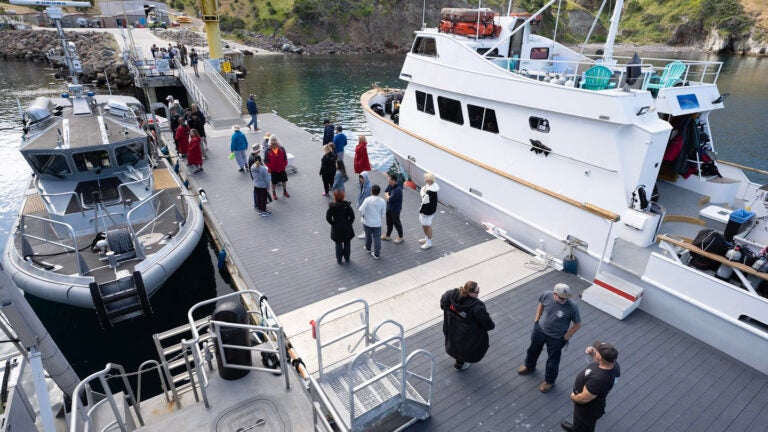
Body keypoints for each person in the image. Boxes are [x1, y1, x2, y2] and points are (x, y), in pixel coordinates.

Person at [518, 283, 582, 393]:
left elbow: (577, 324)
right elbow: (541, 304)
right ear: (554, 294)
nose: (564, 300)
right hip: (540, 330)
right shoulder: (546, 295)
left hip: (556, 338)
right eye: (561, 298)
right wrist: (537, 318)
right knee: (533, 350)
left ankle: (549, 381)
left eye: (566, 298)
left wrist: (566, 336)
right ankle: (529, 366)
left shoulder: (572, 307)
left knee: (553, 360)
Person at [561, 342, 621, 432]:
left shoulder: (599, 380)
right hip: (595, 404)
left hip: (587, 409)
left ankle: (577, 429)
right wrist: (593, 354)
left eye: (596, 351)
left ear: (600, 357)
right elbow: (601, 362)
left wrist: (574, 397)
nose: (594, 350)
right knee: (579, 423)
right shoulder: (613, 365)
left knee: (584, 425)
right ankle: (576, 427)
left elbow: (584, 399)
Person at [439, 281, 495, 371]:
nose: (478, 294)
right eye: (477, 292)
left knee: (455, 344)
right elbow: (487, 323)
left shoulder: (451, 295)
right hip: (467, 334)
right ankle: (461, 364)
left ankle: (459, 363)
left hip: (452, 328)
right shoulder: (476, 307)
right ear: (471, 292)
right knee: (465, 348)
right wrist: (490, 326)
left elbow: (443, 304)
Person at [326, 190, 355, 264]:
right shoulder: (347, 205)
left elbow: (328, 217)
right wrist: (349, 223)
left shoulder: (332, 207)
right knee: (347, 243)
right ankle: (347, 258)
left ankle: (339, 259)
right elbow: (352, 216)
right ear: (343, 196)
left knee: (338, 243)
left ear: (335, 197)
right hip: (346, 227)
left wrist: (333, 223)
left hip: (336, 228)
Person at [358, 184, 386, 259]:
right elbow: (383, 213)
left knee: (368, 236)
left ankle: (368, 248)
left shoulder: (367, 200)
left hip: (367, 222)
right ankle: (376, 254)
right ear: (379, 192)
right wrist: (380, 219)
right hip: (377, 223)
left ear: (371, 191)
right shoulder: (382, 201)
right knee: (377, 238)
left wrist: (363, 216)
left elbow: (360, 209)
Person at [264, 134, 290, 199]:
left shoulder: (282, 148)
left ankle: (285, 191)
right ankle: (274, 193)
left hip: (281, 168)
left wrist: (285, 164)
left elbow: (285, 157)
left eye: (275, 143)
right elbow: (266, 161)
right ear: (270, 143)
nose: (274, 145)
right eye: (272, 144)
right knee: (274, 182)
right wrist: (271, 167)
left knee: (284, 180)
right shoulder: (267, 151)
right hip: (273, 170)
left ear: (277, 142)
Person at [418, 172, 440, 250]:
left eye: (426, 179)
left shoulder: (431, 191)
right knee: (424, 224)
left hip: (427, 211)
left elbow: (425, 199)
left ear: (429, 180)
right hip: (426, 209)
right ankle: (426, 238)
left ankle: (429, 242)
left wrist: (422, 192)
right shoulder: (431, 186)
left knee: (426, 226)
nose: (424, 180)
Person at [383, 173, 404, 243]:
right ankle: (387, 235)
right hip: (389, 207)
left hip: (395, 209)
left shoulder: (398, 190)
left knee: (396, 223)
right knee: (389, 222)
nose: (388, 183)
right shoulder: (390, 185)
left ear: (394, 181)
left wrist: (388, 196)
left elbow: (390, 199)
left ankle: (400, 237)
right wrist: (388, 196)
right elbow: (385, 191)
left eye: (389, 181)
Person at [356, 171, 372, 239]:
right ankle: (369, 232)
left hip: (365, 207)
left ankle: (366, 232)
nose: (360, 179)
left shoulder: (368, 187)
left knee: (365, 220)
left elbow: (366, 198)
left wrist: (361, 206)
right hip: (362, 206)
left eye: (362, 178)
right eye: (360, 178)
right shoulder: (362, 185)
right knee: (365, 220)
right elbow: (360, 195)